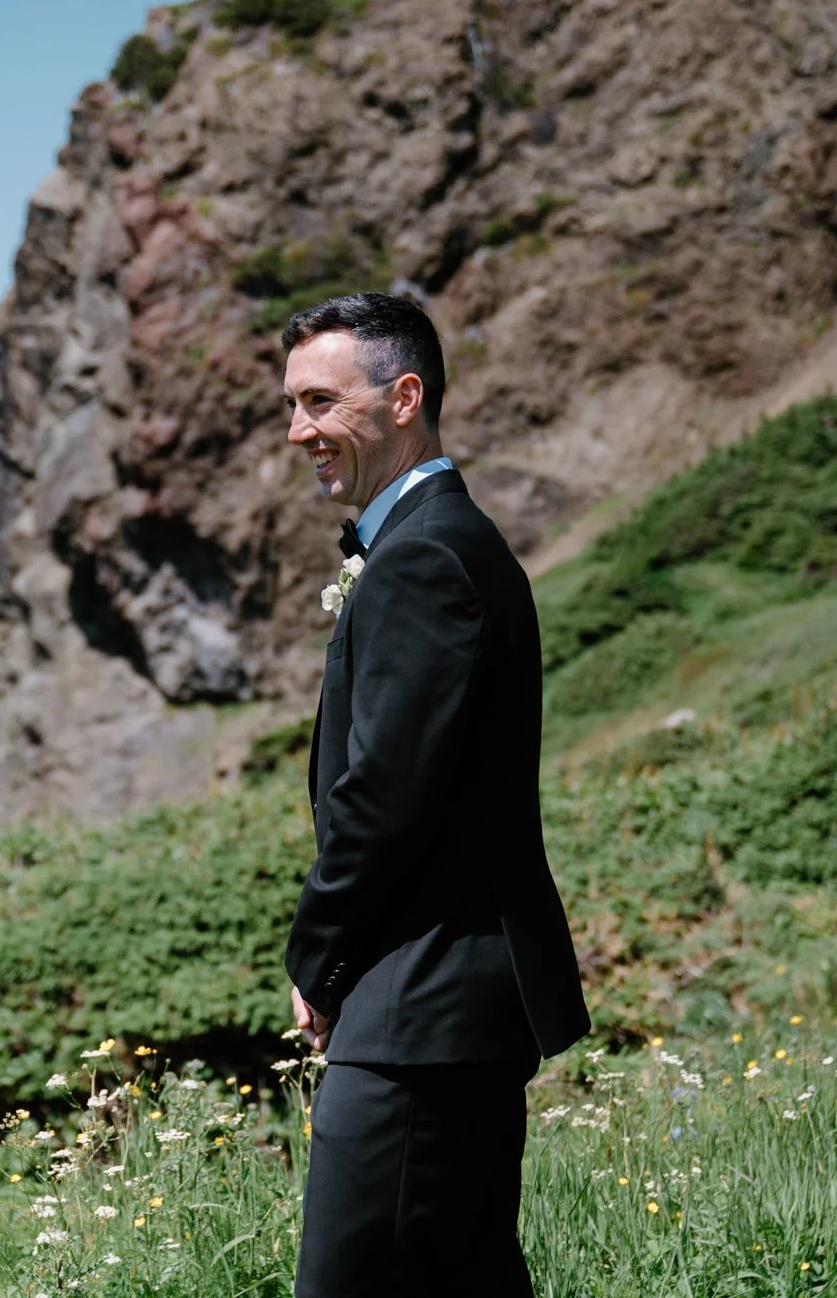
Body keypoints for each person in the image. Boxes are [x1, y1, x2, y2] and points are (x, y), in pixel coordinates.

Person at [280, 291, 591, 1296]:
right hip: (442, 1010)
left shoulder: (423, 559)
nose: (297, 431)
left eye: (319, 402)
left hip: (417, 1011)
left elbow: (383, 795)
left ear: (402, 395)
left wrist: (315, 961)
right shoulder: (448, 543)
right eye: (290, 405)